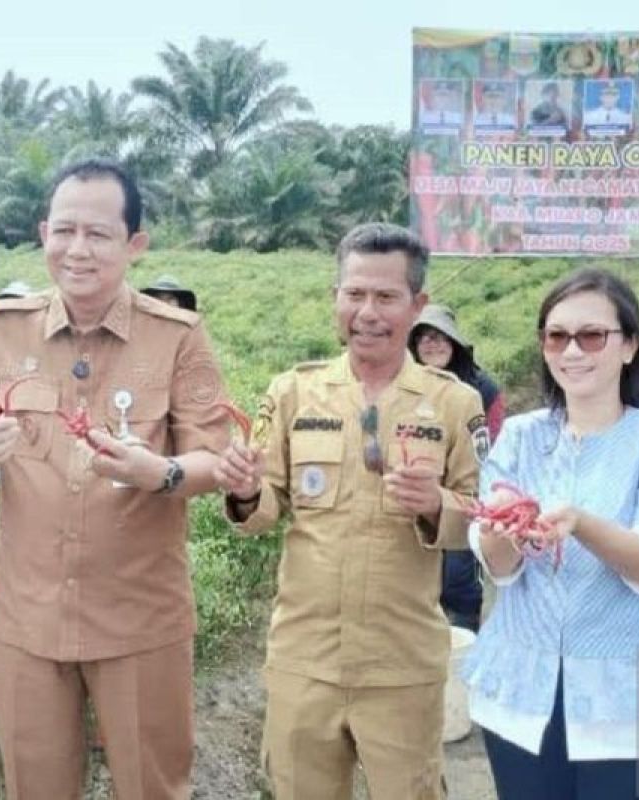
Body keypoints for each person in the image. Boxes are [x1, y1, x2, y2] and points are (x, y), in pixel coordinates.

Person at [0, 159, 230, 800]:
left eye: (98, 234)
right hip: (28, 621)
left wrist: (164, 473)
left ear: (134, 244)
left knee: (153, 787)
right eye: (64, 230)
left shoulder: (177, 337)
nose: (77, 249)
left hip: (140, 622)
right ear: (43, 233)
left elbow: (216, 460)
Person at [214, 223, 486, 800]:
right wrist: (242, 490)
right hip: (303, 660)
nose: (368, 312)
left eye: (386, 297)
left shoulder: (453, 403)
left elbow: (487, 521)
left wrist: (437, 506)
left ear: (418, 305)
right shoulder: (292, 393)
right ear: (336, 297)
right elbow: (264, 506)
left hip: (402, 665)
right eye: (354, 294)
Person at [463, 269, 639, 800]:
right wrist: (502, 526)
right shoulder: (523, 437)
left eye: (591, 335)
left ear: (629, 347)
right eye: (557, 336)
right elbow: (499, 566)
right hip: (525, 692)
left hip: (635, 696)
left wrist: (580, 522)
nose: (572, 350)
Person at [408, 304, 505, 632]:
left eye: (440, 337)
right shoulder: (403, 386)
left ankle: (463, 650)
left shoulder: (482, 389)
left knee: (459, 583)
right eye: (424, 338)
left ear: (454, 342)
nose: (432, 344)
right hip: (413, 499)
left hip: (464, 498)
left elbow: (491, 445)